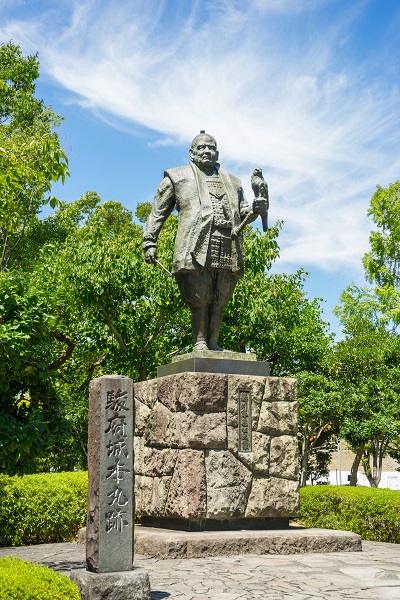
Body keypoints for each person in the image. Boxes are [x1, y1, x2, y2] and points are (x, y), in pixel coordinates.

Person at [143, 131, 267, 351]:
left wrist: (255, 209)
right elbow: (158, 211)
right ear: (192, 153)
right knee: (199, 296)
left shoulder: (233, 182)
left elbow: (243, 210)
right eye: (202, 148)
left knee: (221, 298)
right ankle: (199, 341)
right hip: (196, 243)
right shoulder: (177, 177)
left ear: (217, 153)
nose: (207, 151)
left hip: (228, 242)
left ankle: (213, 342)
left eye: (211, 148)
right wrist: (150, 241)